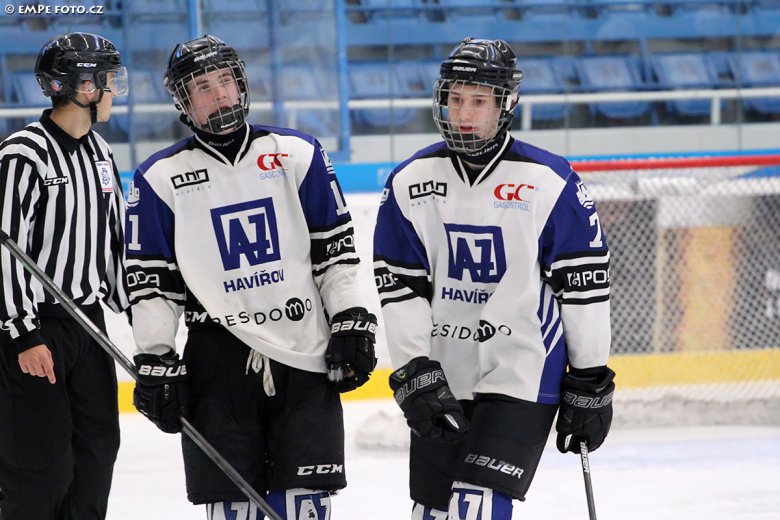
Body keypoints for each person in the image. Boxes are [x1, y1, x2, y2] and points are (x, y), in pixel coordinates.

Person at [125, 35, 377, 520]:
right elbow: (153, 284)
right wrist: (155, 355)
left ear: (241, 84)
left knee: (305, 505)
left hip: (304, 355)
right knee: (233, 509)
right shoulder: (159, 177)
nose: (218, 95)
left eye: (224, 81)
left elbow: (335, 253)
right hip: (215, 365)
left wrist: (350, 317)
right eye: (202, 87)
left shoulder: (297, 153)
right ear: (183, 102)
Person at [374, 37, 615, 520]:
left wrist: (589, 378)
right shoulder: (409, 181)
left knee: (476, 503)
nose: (464, 114)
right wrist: (414, 369)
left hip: (524, 366)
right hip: (445, 370)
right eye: (456, 98)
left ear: (505, 104)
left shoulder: (550, 182)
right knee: (432, 512)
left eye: (479, 101)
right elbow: (401, 290)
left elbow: (583, 288)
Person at [0, 32, 130, 519]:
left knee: (96, 460)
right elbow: (5, 249)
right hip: (37, 332)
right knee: (40, 472)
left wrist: (143, 319)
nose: (114, 91)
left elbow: (115, 245)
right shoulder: (22, 154)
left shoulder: (101, 154)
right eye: (108, 80)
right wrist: (23, 333)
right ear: (83, 87)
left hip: (89, 328)